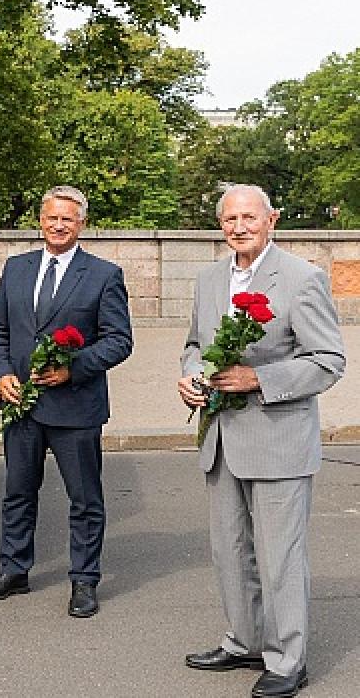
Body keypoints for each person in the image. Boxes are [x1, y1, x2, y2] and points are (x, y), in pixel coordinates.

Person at [178, 185, 343, 698]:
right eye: (229, 218)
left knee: (280, 557)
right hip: (221, 439)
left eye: (249, 216)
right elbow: (193, 345)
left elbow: (328, 361)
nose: (239, 226)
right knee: (230, 551)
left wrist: (259, 381)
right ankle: (244, 641)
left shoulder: (301, 279)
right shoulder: (209, 280)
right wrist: (190, 376)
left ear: (271, 219)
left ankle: (288, 660)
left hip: (278, 441)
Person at [0, 185, 132, 618]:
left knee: (84, 499)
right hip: (21, 403)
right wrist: (2, 373)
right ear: (40, 221)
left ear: (81, 223)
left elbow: (120, 341)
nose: (58, 225)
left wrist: (72, 368)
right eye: (51, 217)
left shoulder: (103, 275)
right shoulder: (16, 268)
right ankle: (14, 569)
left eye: (67, 218)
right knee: (17, 492)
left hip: (76, 407)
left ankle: (84, 579)